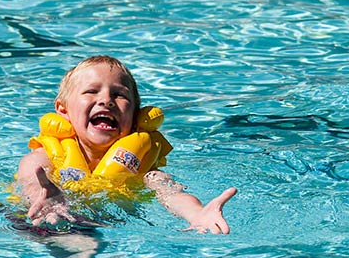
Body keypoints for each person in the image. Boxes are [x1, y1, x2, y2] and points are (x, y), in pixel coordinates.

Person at [16, 55, 237, 234]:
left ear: (135, 116)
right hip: (31, 223)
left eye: (120, 95)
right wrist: (45, 199)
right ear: (63, 110)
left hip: (101, 227)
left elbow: (172, 194)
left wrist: (197, 214)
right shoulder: (45, 157)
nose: (106, 100)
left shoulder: (144, 171)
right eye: (91, 91)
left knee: (85, 245)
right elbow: (32, 178)